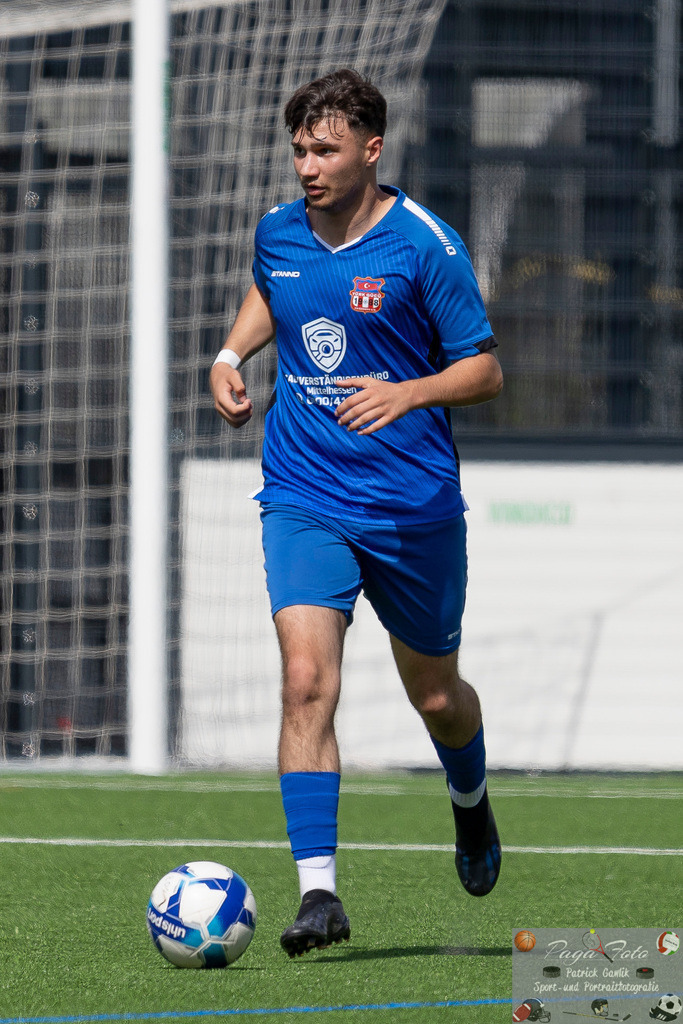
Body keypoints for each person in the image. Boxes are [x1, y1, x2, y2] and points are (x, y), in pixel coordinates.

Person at [210, 68, 504, 958]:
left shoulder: (424, 247)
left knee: (437, 697)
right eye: (299, 150)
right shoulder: (278, 230)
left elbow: (484, 370)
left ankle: (469, 801)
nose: (307, 167)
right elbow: (275, 290)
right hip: (304, 493)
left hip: (411, 507)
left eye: (325, 151)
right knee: (305, 679)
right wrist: (229, 356)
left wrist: (407, 392)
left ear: (371, 150)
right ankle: (318, 894)